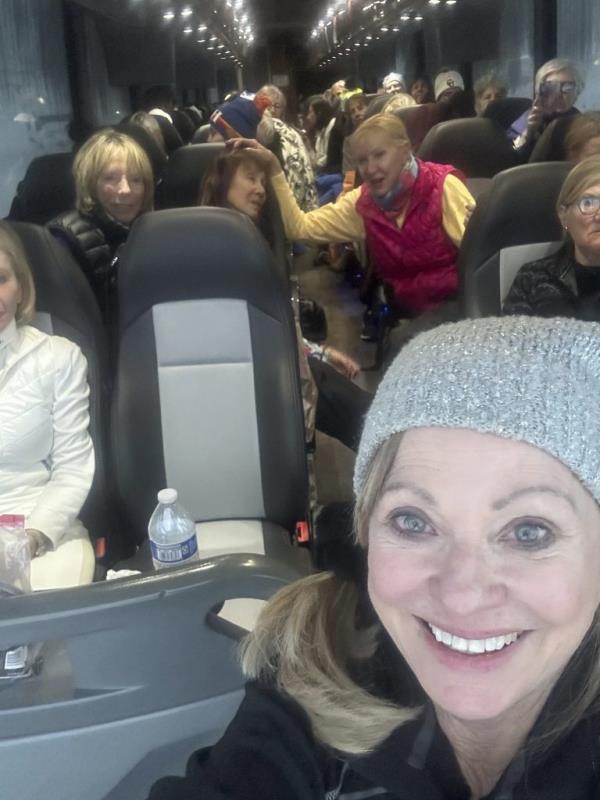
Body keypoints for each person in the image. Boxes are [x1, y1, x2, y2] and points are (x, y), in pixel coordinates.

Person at [148, 314, 600, 800]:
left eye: (530, 532)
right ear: (365, 533)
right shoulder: (319, 662)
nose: (463, 593)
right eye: (412, 521)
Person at [198, 148, 371, 451]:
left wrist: (318, 353)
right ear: (222, 183)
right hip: (249, 380)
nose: (260, 190)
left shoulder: (252, 241)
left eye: (264, 182)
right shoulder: (213, 252)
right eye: (251, 179)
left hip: (283, 363)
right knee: (371, 421)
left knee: (369, 416)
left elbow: (272, 328)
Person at [232, 114, 473, 320]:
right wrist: (274, 168)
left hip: (461, 306)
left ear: (404, 150)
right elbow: (300, 228)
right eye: (362, 161)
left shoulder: (443, 187)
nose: (370, 169)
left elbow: (478, 256)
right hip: (409, 312)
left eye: (379, 155)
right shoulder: (363, 204)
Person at [0, 223, 95, 591]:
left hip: (39, 531)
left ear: (20, 286)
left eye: (2, 279)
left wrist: (30, 539)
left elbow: (73, 467)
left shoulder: (59, 358)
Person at [48, 129, 153, 317]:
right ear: (89, 183)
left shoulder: (150, 229)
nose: (125, 189)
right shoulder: (64, 240)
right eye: (110, 178)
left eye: (136, 179)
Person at [504, 156, 600, 319]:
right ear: (564, 216)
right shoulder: (532, 279)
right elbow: (510, 341)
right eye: (588, 203)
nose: (599, 216)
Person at [255, 86, 319, 211]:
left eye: (277, 106)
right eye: (267, 104)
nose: (272, 110)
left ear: (282, 112)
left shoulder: (294, 134)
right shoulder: (247, 130)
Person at [510, 58, 584, 162]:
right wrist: (528, 133)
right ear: (539, 91)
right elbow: (509, 154)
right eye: (551, 87)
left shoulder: (583, 124)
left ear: (578, 92)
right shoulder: (528, 118)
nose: (558, 94)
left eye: (567, 87)